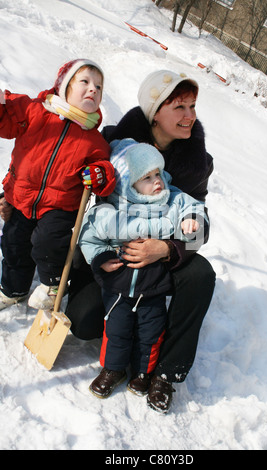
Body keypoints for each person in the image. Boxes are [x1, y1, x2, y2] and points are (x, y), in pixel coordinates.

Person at [66, 69, 216, 413]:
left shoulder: (193, 165)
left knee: (201, 274)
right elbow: (67, 177)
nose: (190, 116)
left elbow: (199, 222)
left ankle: (167, 372)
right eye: (179, 107)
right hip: (116, 247)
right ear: (155, 111)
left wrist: (168, 249)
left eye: (193, 106)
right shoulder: (116, 142)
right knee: (83, 320)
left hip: (162, 253)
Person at [78, 138, 207, 406]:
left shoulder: (171, 201)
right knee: (117, 329)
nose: (157, 181)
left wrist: (192, 221)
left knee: (151, 331)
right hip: (119, 286)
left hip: (154, 286)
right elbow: (88, 238)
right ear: (128, 183)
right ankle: (112, 368)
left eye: (157, 173)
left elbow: (194, 210)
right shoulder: (111, 211)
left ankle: (143, 372)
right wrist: (100, 258)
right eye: (146, 177)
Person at [0, 59, 116, 311]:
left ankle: (52, 285)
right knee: (13, 243)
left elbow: (104, 169)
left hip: (60, 207)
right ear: (64, 86)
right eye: (84, 81)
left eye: (98, 86)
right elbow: (5, 120)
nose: (93, 89)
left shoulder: (93, 138)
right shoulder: (34, 110)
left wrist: (98, 174)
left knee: (48, 243)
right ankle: (14, 288)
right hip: (21, 195)